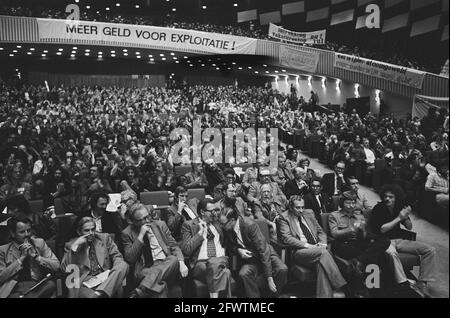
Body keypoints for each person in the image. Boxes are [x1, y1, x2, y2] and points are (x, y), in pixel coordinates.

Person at [371, 184, 437, 296]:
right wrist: (399, 218)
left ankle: (422, 282)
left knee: (430, 250)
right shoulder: (378, 208)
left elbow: (409, 227)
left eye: (391, 197)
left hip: (399, 240)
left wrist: (406, 216)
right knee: (391, 253)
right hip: (384, 241)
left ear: (396, 197)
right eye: (385, 196)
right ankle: (403, 283)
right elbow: (382, 230)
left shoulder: (399, 207)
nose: (387, 199)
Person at [277, 196, 347, 298]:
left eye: (302, 207)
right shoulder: (284, 217)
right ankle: (339, 286)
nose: (301, 210)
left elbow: (320, 231)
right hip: (300, 251)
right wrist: (308, 246)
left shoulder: (309, 213)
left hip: (317, 250)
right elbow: (287, 238)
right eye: (297, 208)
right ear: (291, 207)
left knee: (321, 265)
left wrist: (322, 243)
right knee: (323, 253)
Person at [328, 192, 390, 297]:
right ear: (342, 203)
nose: (351, 205)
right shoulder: (334, 215)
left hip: (358, 243)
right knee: (374, 258)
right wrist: (351, 229)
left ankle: (360, 261)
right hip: (343, 244)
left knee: (385, 241)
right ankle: (370, 290)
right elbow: (334, 234)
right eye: (348, 203)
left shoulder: (359, 216)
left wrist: (362, 230)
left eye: (353, 203)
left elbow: (364, 237)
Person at [121, 203, 188, 298]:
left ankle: (142, 289)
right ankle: (144, 288)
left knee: (173, 259)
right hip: (145, 269)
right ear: (133, 221)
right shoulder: (127, 233)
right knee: (160, 287)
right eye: (141, 220)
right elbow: (130, 259)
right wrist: (140, 236)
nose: (147, 221)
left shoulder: (160, 225)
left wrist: (181, 262)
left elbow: (174, 246)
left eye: (147, 216)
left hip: (167, 264)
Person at [219, 208, 288, 298]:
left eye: (223, 224)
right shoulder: (227, 228)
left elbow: (263, 250)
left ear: (232, 220)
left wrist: (269, 277)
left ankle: (272, 297)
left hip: (266, 254)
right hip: (250, 259)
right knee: (244, 273)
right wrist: (238, 250)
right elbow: (229, 245)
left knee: (282, 269)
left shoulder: (249, 225)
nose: (221, 226)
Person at [61, 217, 129, 298]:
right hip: (86, 282)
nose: (91, 233)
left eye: (93, 229)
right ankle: (101, 293)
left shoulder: (104, 238)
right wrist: (74, 247)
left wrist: (114, 270)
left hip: (106, 278)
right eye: (86, 230)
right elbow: (64, 268)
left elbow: (117, 256)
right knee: (93, 296)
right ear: (79, 232)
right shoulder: (72, 245)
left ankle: (100, 292)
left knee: (123, 265)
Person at [181, 199, 232, 298]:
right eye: (211, 211)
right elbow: (186, 250)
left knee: (214, 263)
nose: (214, 213)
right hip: (200, 264)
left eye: (215, 210)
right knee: (226, 273)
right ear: (202, 212)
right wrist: (200, 233)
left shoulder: (218, 223)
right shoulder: (189, 225)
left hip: (221, 259)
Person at [0, 215, 60, 298]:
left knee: (51, 285)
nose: (27, 234)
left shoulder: (39, 243)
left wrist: (35, 257)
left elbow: (56, 266)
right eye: (22, 232)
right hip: (14, 289)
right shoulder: (3, 250)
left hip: (37, 286)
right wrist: (21, 259)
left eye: (28, 230)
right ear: (12, 233)